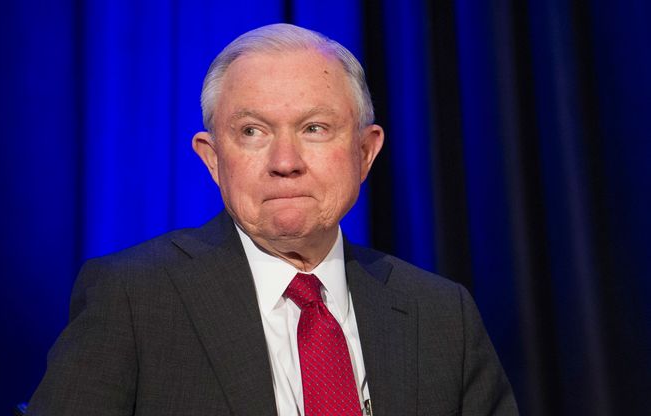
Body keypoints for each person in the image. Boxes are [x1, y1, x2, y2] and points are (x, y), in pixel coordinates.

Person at [27, 23, 518, 415]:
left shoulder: (440, 315)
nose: (286, 160)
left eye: (315, 127)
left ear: (365, 152)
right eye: (253, 131)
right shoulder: (134, 298)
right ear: (213, 159)